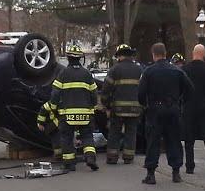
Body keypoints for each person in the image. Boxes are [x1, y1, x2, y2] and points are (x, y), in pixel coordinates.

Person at [138, 43, 194, 185]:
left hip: (155, 109)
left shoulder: (149, 72)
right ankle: (176, 172)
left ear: (153, 54)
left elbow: (141, 93)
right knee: (174, 140)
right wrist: (179, 101)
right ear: (165, 53)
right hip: (173, 109)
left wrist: (145, 105)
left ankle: (151, 174)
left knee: (153, 141)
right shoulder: (177, 71)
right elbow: (190, 89)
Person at [49, 44, 99, 172]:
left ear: (68, 58)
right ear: (80, 58)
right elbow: (94, 93)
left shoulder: (63, 73)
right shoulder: (87, 74)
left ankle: (70, 164)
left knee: (66, 137)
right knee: (87, 136)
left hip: (67, 114)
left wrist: (53, 107)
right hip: (86, 114)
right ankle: (90, 158)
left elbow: (55, 94)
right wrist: (92, 105)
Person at [101, 44, 144, 165]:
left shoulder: (115, 69)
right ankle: (128, 157)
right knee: (131, 133)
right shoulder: (139, 70)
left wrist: (106, 105)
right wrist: (142, 106)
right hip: (135, 108)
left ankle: (112, 157)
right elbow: (144, 89)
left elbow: (106, 90)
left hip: (118, 109)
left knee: (114, 132)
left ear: (120, 56)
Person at [181, 44, 205, 174]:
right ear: (204, 54)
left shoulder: (185, 69)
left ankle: (189, 166)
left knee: (189, 139)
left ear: (193, 54)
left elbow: (181, 89)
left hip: (189, 107)